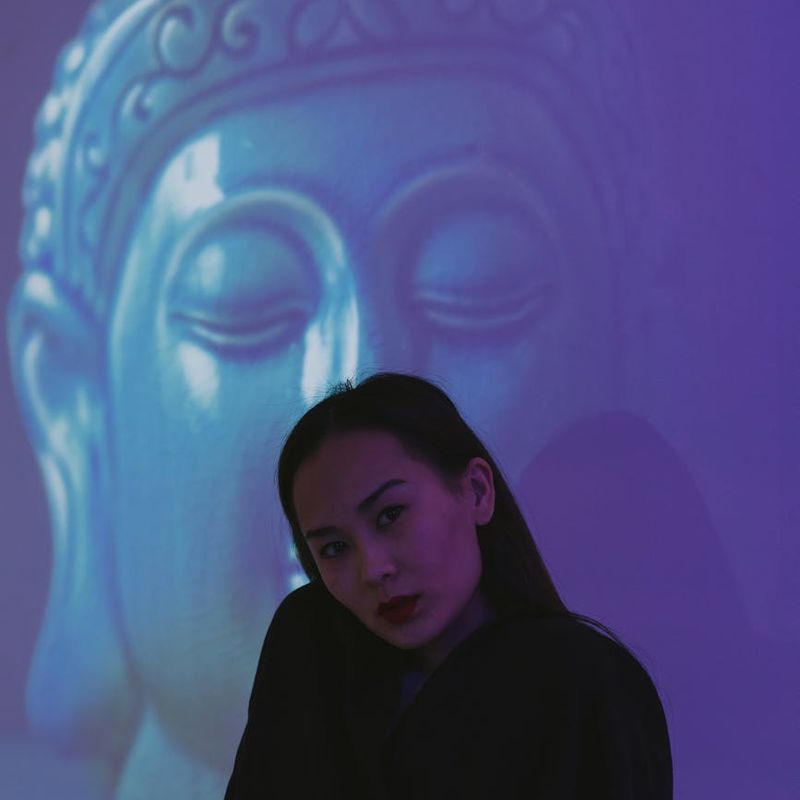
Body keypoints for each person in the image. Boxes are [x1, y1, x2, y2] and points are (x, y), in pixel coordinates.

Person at [8, 2, 656, 797]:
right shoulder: (308, 660)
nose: (358, 361)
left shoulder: (589, 689)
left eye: (472, 283)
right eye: (244, 302)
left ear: (477, 489)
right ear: (71, 402)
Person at [225, 372, 673, 798]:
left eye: (390, 515)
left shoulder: (584, 682)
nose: (373, 569)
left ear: (477, 490)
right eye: (334, 548)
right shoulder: (312, 646)